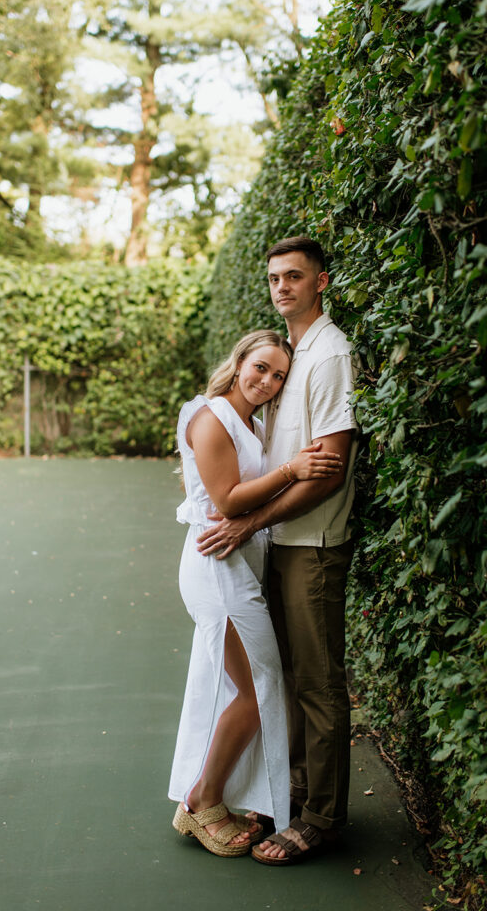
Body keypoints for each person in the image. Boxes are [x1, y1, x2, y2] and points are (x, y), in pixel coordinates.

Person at [197, 237, 358, 865]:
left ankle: (321, 819)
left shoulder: (329, 354)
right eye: (273, 278)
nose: (282, 286)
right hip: (283, 542)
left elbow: (331, 469)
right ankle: (295, 798)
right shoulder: (292, 355)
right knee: (292, 681)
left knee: (318, 684)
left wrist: (248, 521)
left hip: (314, 543)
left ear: (321, 282)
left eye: (295, 276)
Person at [168, 329, 344, 858]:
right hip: (217, 566)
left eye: (279, 376)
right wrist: (293, 469)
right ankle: (202, 803)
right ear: (239, 360)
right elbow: (224, 500)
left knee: (242, 686)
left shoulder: (252, 422)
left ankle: (209, 796)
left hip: (240, 564)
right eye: (261, 367)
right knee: (255, 687)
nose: (268, 381)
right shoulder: (210, 415)